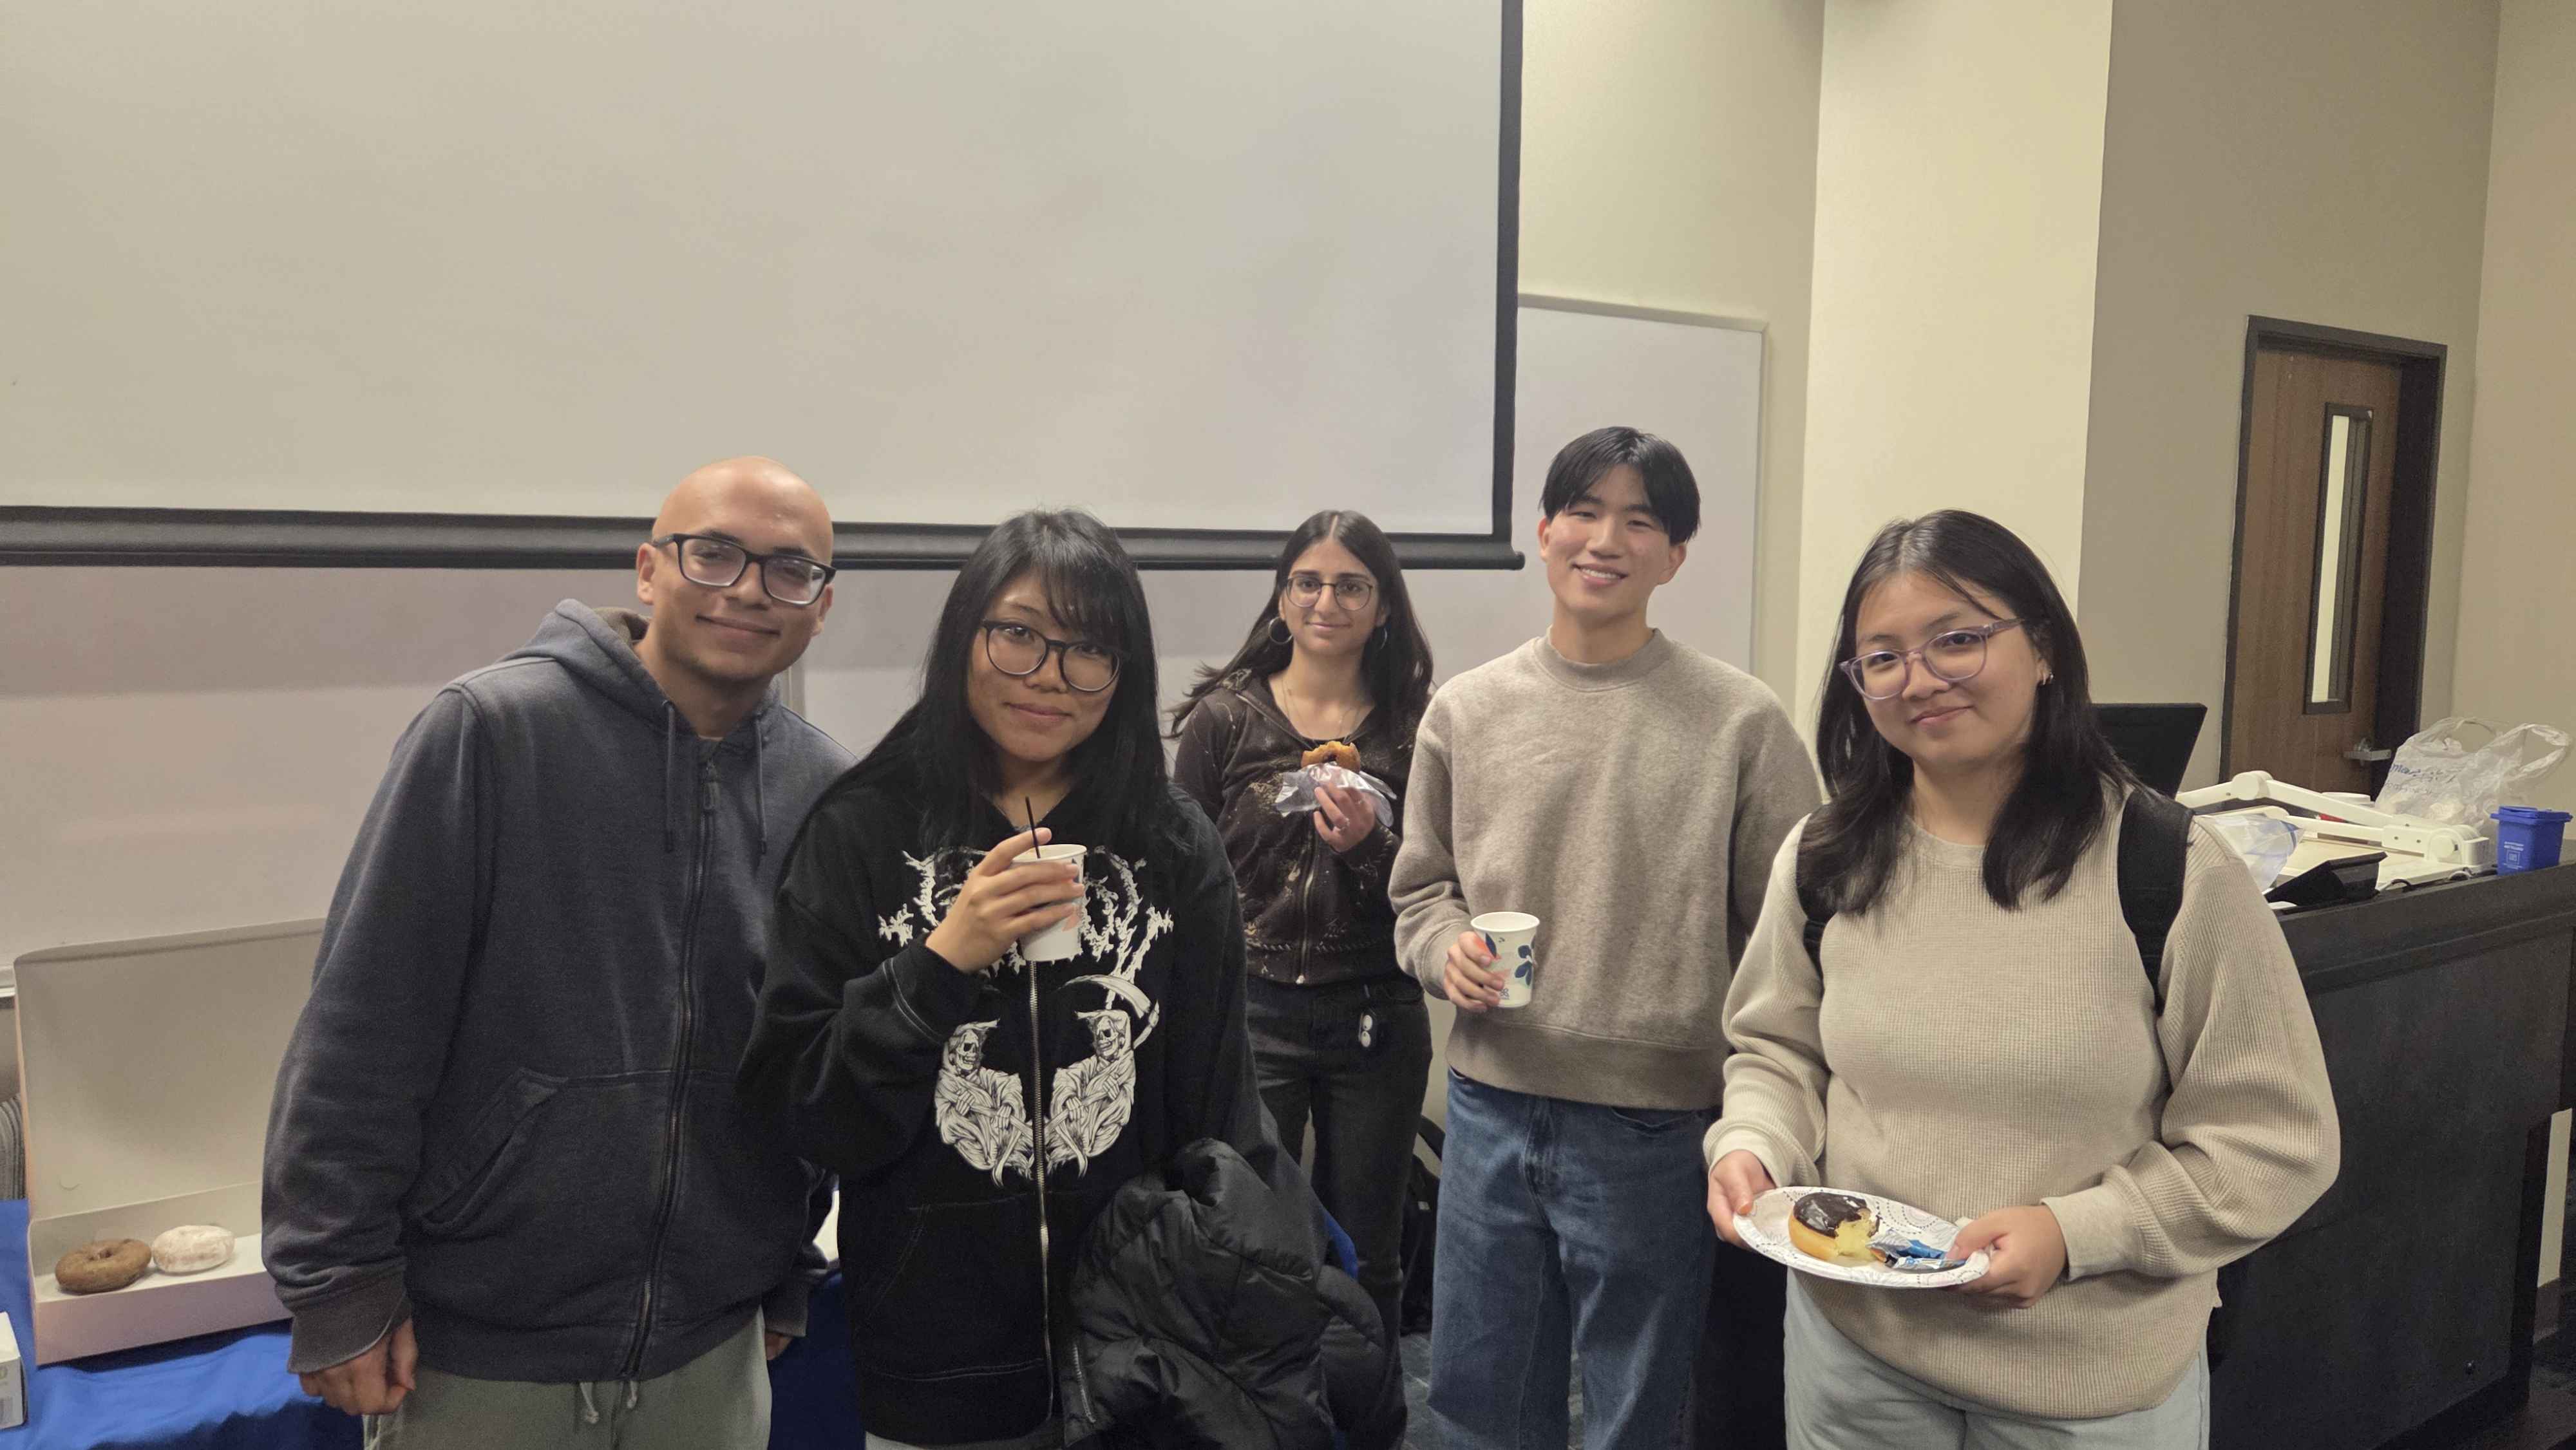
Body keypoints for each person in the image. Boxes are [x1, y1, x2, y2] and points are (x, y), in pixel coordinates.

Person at [1707, 510, 2340, 1447]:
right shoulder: (1826, 855)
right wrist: (1754, 1141)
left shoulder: (2168, 868)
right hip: (1857, 1359)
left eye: (1957, 639)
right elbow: (1780, 1051)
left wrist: (2077, 1231)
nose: (1918, 679)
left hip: (2087, 1384)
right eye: (1881, 657)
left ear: (2042, 649)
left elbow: (2276, 1141)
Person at [263, 457, 855, 1447]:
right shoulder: (491, 734)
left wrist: (786, 1267)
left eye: (789, 571)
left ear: (821, 607)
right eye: (714, 555)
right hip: (480, 1356)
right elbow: (366, 1024)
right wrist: (336, 1280)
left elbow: (804, 1056)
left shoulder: (824, 790)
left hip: (709, 1354)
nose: (749, 590)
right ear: (648, 570)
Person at [737, 509, 1287, 1450]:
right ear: (966, 638)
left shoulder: (1169, 841)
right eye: (1019, 634)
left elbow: (1218, 1115)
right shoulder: (864, 831)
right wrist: (937, 965)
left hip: (1140, 1352)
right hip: (932, 1359)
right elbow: (810, 1114)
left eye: (1089, 650)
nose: (1048, 677)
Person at [1390, 426, 1821, 1449]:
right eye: (1583, 511)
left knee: (1639, 1411)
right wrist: (1442, 945)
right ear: (1543, 534)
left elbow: (1803, 931)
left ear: (1675, 557)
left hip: (1658, 1128)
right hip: (1489, 1108)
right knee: (1477, 1401)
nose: (1605, 538)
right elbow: (1420, 892)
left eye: (1641, 520)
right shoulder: (1467, 711)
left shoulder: (1740, 724)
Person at [1170, 509, 1437, 1350]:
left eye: (1352, 585)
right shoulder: (1224, 718)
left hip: (1376, 1015)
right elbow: (1185, 877)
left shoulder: (1420, 727)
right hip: (1252, 1014)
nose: (1328, 601)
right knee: (1253, 1243)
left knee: (1375, 1247)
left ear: (1385, 606)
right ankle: (1267, 1418)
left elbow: (1439, 892)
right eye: (1308, 582)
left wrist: (1370, 848)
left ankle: (1372, 1418)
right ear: (1282, 600)